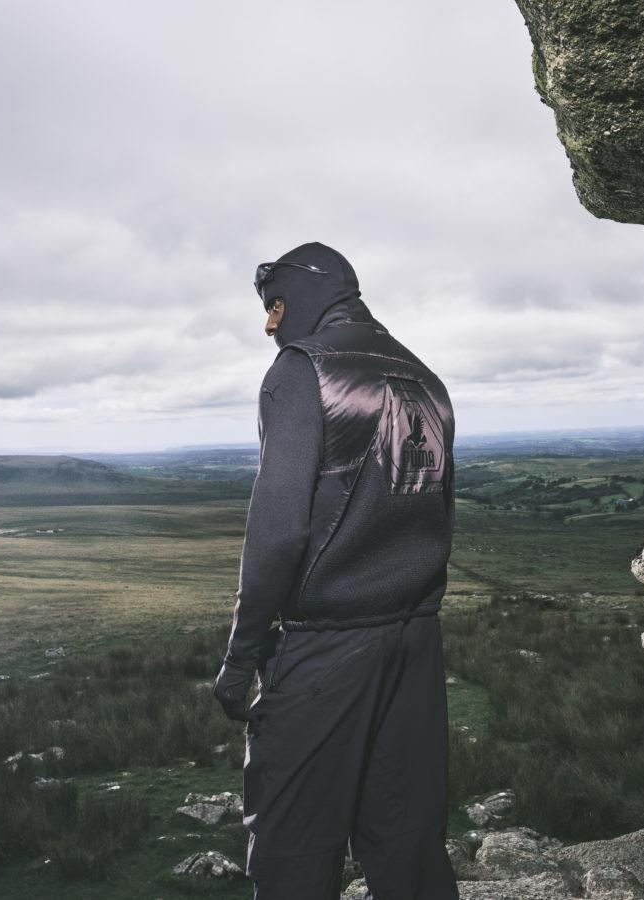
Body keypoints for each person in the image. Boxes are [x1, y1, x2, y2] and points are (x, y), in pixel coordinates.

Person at [212, 241, 460, 900]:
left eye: (274, 305)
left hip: (328, 650)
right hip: (416, 644)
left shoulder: (304, 369)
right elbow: (438, 511)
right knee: (409, 848)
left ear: (310, 295)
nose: (268, 325)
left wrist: (242, 660)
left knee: (293, 854)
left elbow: (280, 529)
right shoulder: (425, 377)